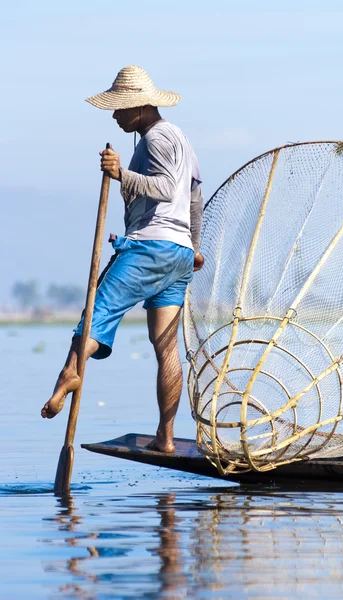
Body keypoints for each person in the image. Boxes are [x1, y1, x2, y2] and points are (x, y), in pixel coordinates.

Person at [41, 65, 204, 453]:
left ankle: (69, 373)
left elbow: (165, 189)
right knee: (165, 348)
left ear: (141, 108)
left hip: (150, 248)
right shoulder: (180, 138)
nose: (114, 116)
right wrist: (193, 246)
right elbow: (193, 196)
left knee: (96, 309)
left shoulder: (158, 138)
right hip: (178, 254)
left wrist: (119, 175)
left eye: (119, 109)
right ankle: (165, 438)